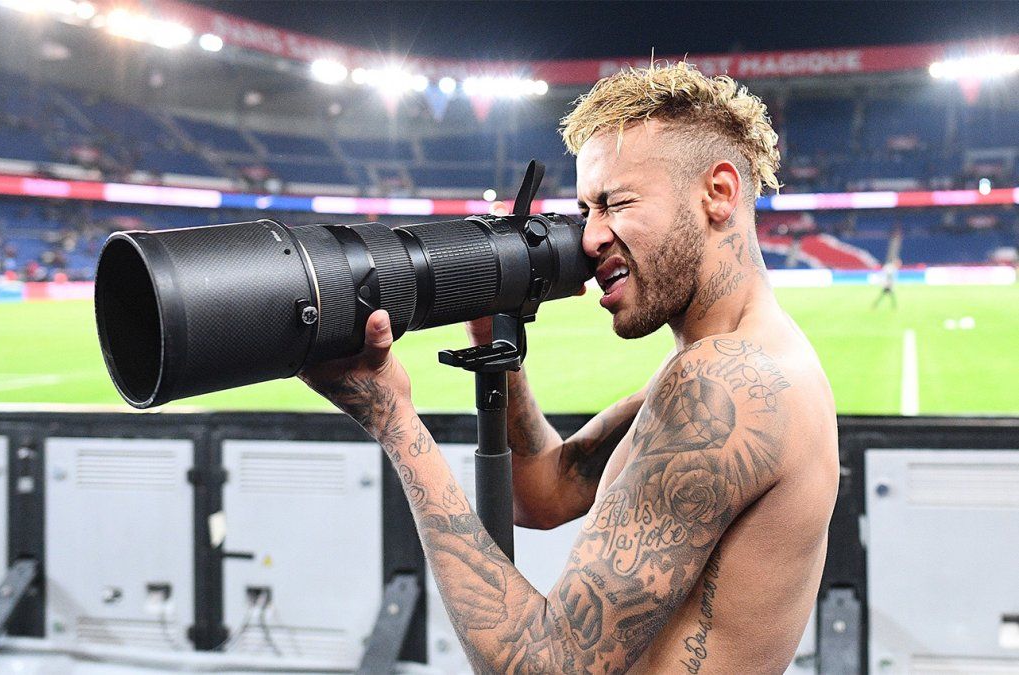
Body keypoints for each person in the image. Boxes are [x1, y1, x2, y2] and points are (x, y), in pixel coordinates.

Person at [300, 62, 839, 673]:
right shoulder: (725, 359)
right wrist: (494, 339)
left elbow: (542, 665)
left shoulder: (725, 384)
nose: (589, 237)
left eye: (615, 204)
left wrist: (395, 422)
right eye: (587, 210)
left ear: (718, 193)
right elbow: (543, 492)